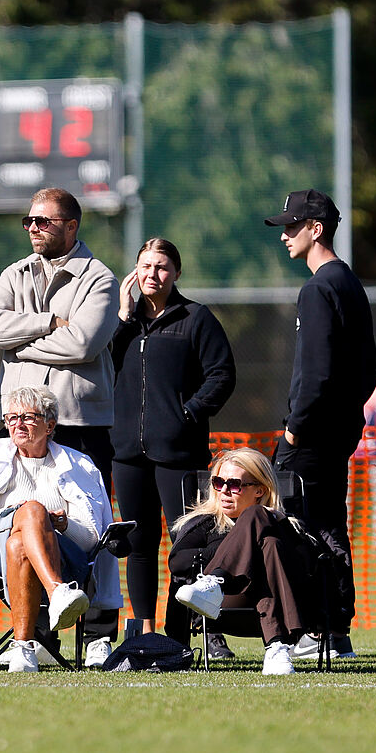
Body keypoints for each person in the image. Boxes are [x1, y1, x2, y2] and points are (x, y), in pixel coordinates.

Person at [0, 186, 120, 650]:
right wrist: (45, 323)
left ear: (72, 226)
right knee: (21, 521)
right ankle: (34, 634)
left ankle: (98, 634)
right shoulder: (13, 273)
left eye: (44, 221)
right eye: (29, 221)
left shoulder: (99, 278)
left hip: (80, 424)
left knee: (91, 530)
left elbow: (83, 344)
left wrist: (15, 343)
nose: (33, 228)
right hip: (19, 422)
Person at [108, 238, 236, 654]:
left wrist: (187, 414)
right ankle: (144, 634)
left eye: (161, 267)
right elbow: (103, 366)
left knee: (186, 546)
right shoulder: (122, 325)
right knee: (139, 546)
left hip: (179, 453)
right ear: (135, 271)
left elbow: (222, 375)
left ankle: (179, 634)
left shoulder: (195, 318)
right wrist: (124, 318)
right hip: (128, 454)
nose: (152, 274)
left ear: (176, 272)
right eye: (145, 266)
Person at [264, 189, 376, 659]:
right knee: (329, 525)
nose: (286, 235)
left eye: (293, 226)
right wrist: (346, 416)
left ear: (317, 229)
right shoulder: (347, 282)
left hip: (310, 436)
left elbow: (316, 371)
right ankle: (334, 631)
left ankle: (315, 629)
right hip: (337, 432)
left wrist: (295, 427)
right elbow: (368, 370)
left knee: (300, 527)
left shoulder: (318, 287)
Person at [0, 386, 116, 673]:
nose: (17, 424)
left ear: (50, 425)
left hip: (61, 555)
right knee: (30, 512)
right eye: (11, 417)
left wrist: (63, 524)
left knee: (20, 544)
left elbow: (91, 536)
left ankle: (23, 648)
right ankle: (57, 592)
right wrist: (20, 517)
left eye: (27, 417)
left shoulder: (78, 464)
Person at [168, 448, 320, 676]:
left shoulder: (285, 526)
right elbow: (177, 562)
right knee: (265, 540)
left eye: (235, 485)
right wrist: (233, 549)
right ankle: (276, 647)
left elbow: (312, 563)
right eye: (219, 483)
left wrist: (274, 528)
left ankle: (216, 582)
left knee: (268, 541)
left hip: (277, 601)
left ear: (260, 489)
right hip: (221, 607)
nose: (225, 491)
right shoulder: (204, 523)